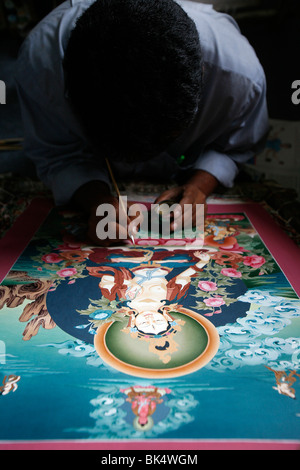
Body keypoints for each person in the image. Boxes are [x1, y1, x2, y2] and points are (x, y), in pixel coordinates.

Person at [15, 0, 269, 245]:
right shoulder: (41, 66)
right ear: (70, 90)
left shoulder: (242, 79)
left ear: (201, 78)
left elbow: (237, 146)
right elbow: (56, 152)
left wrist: (200, 185)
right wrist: (95, 200)